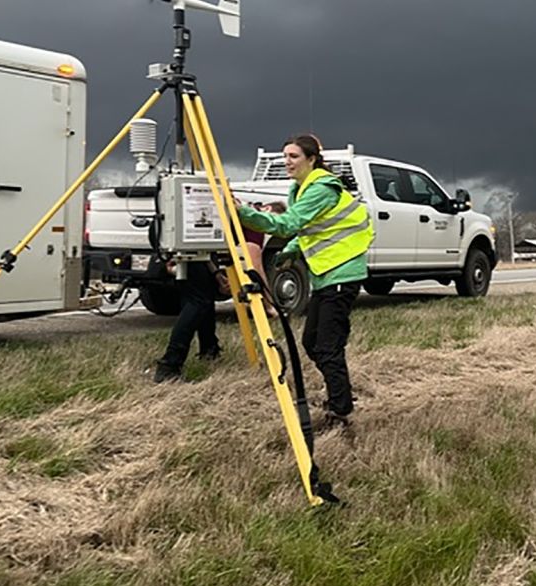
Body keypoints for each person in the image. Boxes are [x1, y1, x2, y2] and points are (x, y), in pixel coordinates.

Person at [236, 135, 373, 428]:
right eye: (284, 156)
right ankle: (341, 397)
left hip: (342, 274)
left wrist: (241, 213)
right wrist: (289, 252)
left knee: (326, 346)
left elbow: (287, 224)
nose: (287, 161)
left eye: (294, 156)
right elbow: (312, 230)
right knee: (312, 342)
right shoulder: (300, 189)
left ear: (312, 159)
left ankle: (341, 411)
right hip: (325, 275)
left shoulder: (321, 188)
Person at [152, 259, 222, 383]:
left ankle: (209, 350)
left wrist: (215, 273)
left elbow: (203, 251)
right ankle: (170, 365)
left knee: (202, 297)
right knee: (198, 301)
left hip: (195, 253)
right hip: (189, 253)